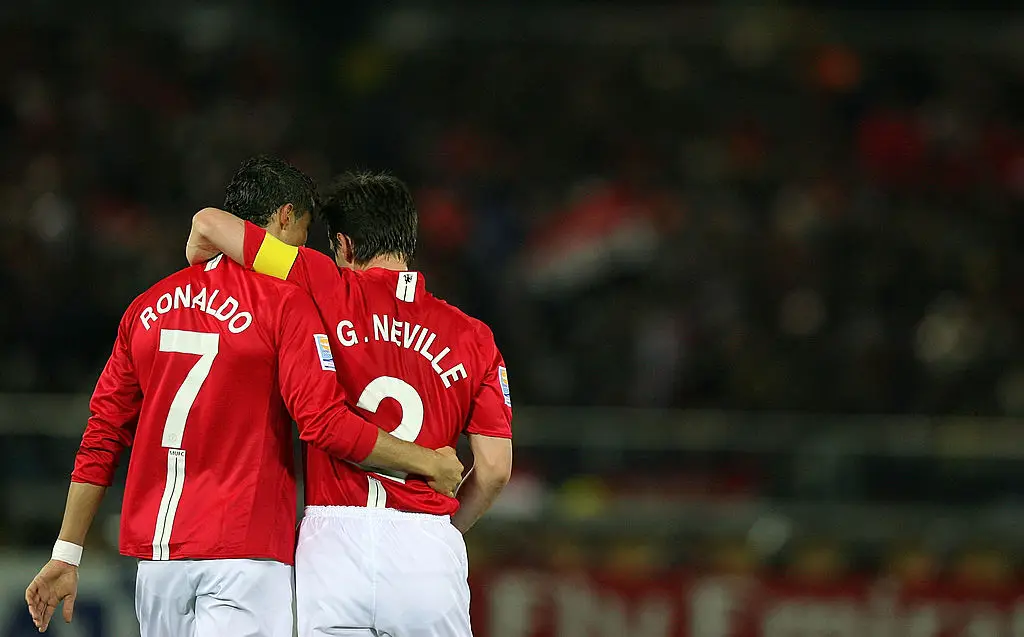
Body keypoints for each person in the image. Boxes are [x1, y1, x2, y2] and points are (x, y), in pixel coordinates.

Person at [25, 157, 464, 637]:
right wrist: (426, 462)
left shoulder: (146, 307)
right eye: (302, 233)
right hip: (244, 549)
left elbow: (102, 434)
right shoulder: (287, 303)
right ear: (283, 218)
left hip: (158, 560)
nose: (302, 250)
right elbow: (322, 421)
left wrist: (66, 552)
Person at [186, 171, 514, 637]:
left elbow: (211, 223)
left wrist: (195, 262)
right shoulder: (474, 336)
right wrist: (443, 532)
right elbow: (496, 469)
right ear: (408, 239)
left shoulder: (322, 283)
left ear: (343, 244)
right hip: (426, 544)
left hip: (333, 545)